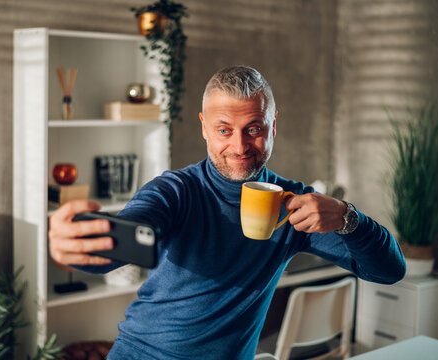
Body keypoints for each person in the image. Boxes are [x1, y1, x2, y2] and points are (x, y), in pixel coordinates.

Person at [49, 65, 406, 359]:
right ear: (204, 126)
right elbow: (131, 230)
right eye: (224, 130)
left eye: (254, 129)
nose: (239, 146)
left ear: (273, 125)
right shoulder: (176, 191)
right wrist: (79, 245)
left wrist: (348, 217)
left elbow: (390, 271)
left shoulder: (295, 204)